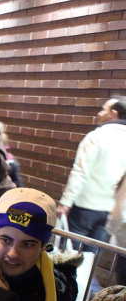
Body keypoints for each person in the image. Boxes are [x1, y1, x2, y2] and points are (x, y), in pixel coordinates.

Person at [56, 95, 126, 248]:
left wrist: (65, 203)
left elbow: (80, 172)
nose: (100, 114)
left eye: (103, 110)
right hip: (110, 211)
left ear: (113, 114)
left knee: (70, 255)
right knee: (91, 257)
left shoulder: (96, 137)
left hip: (85, 207)